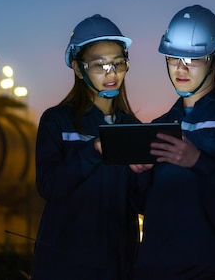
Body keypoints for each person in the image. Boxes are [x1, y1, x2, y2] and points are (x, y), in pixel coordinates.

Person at [132, 5, 215, 279]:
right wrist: (141, 175)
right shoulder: (159, 126)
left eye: (193, 59)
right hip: (157, 269)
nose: (181, 69)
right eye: (173, 58)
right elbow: (143, 205)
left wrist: (197, 161)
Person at [31, 14, 142, 280]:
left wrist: (148, 174)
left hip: (119, 266)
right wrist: (94, 151)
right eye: (99, 65)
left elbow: (142, 204)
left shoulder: (133, 128)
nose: (111, 73)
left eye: (117, 63)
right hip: (64, 266)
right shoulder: (57, 121)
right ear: (78, 69)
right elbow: (49, 186)